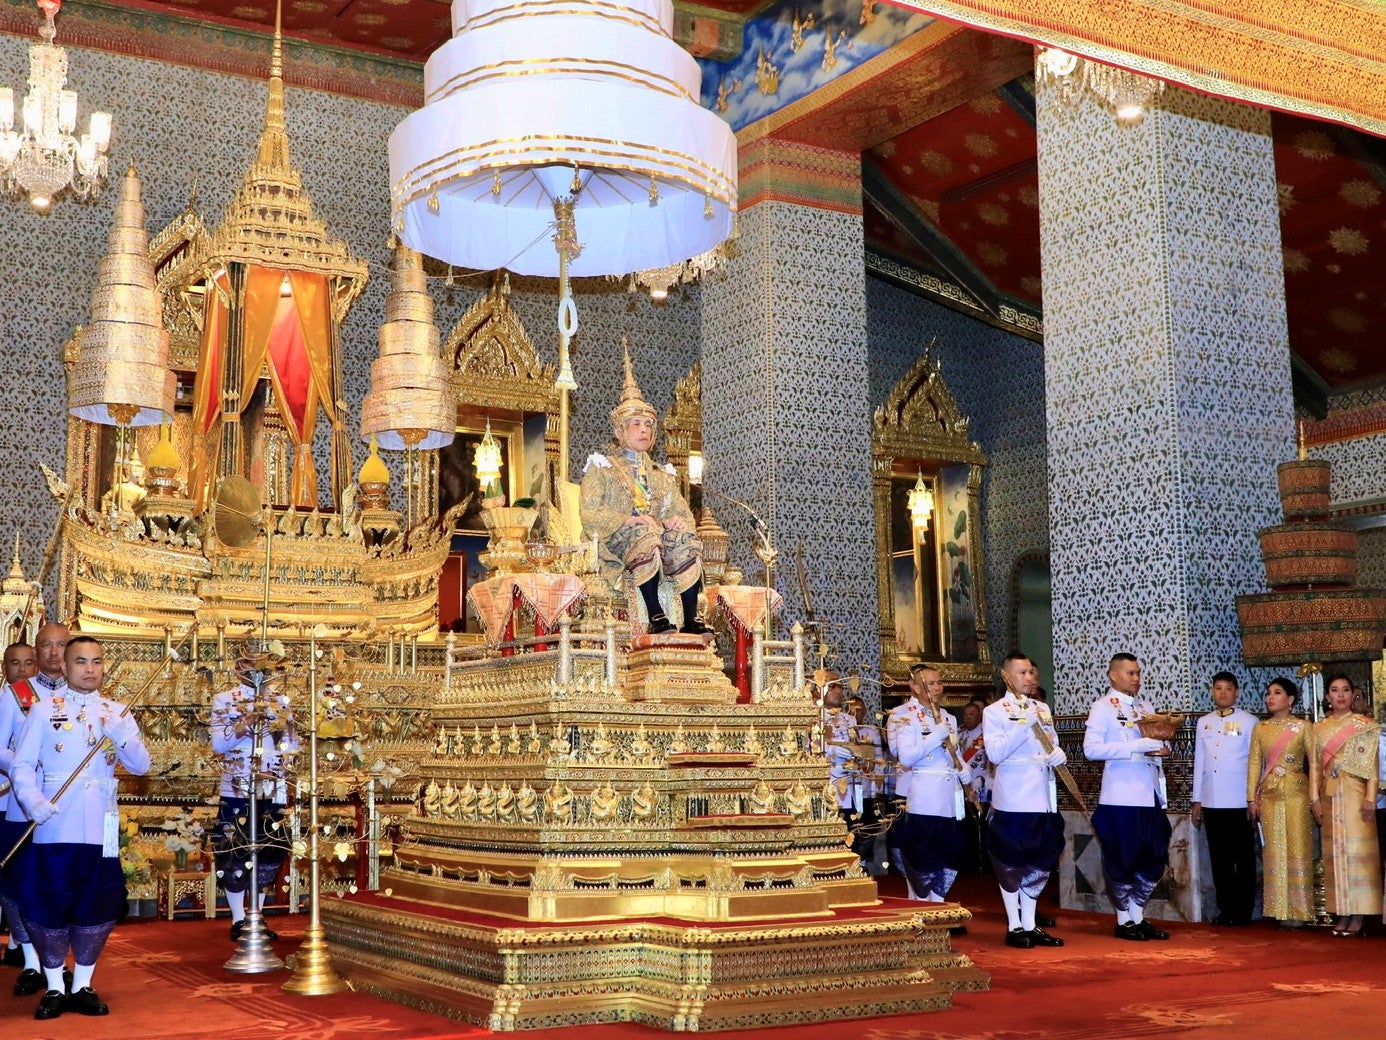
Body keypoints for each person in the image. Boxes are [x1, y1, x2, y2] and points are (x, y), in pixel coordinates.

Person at [11, 635, 149, 1019]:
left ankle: (83, 983)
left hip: (100, 825)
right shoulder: (41, 711)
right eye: (81, 662)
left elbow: (141, 766)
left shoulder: (118, 712)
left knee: (98, 902)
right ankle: (54, 986)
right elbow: (21, 766)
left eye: (97, 662)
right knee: (49, 901)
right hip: (56, 822)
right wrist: (33, 801)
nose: (90, 669)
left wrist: (122, 737)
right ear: (65, 667)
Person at [580, 346, 708, 635]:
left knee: (685, 538)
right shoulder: (602, 468)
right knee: (645, 533)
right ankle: (656, 616)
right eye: (636, 424)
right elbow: (589, 514)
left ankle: (690, 620)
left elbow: (680, 513)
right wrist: (629, 520)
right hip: (614, 542)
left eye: (648, 425)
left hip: (657, 539)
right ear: (620, 431)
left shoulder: (662, 475)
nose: (644, 430)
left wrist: (676, 522)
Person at [1083, 653, 1172, 942]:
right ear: (1113, 675)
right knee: (1123, 857)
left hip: (1149, 794)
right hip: (1120, 795)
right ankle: (1124, 920)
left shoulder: (1145, 707)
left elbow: (1156, 742)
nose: (1136, 678)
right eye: (1130, 673)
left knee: (1154, 854)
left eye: (1138, 673)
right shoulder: (1102, 707)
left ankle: (1138, 916)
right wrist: (1136, 746)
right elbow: (1092, 750)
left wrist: (1160, 749)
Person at [210, 655, 298, 942]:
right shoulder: (226, 699)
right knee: (234, 848)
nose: (257, 673)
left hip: (272, 784)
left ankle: (257, 915)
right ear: (238, 668)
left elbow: (291, 745)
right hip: (237, 783)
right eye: (250, 666)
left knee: (269, 848)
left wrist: (282, 731)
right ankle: (237, 917)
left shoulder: (280, 701)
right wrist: (246, 723)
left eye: (263, 668)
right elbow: (219, 744)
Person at [1, 623, 67, 997]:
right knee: (21, 883)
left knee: (60, 884)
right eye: (47, 645)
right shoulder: (16, 694)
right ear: (38, 652)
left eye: (62, 645)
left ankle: (59, 961)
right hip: (24, 804)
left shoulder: (83, 695)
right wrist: (30, 767)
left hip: (68, 805)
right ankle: (29, 961)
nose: (55, 652)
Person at [982, 653, 1065, 948]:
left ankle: (1030, 924)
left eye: (1031, 672)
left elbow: (1050, 743)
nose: (1030, 678)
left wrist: (1057, 754)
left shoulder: (1042, 708)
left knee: (1039, 860)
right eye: (1022, 673)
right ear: (1007, 676)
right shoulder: (995, 711)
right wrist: (1022, 724)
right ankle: (1014, 925)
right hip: (1014, 798)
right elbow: (995, 754)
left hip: (1041, 796)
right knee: (1012, 860)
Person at [891, 664, 973, 921]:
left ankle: (938, 910)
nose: (937, 688)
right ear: (915, 686)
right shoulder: (904, 716)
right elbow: (905, 756)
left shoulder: (949, 717)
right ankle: (921, 909)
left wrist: (964, 769)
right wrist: (933, 737)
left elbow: (954, 753)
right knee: (923, 853)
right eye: (930, 683)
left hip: (948, 796)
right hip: (924, 794)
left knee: (949, 851)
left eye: (939, 682)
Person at [1307, 673, 1381, 937]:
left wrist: (1371, 797)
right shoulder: (1317, 728)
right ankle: (1342, 912)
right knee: (1334, 855)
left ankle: (1359, 915)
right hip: (1329, 796)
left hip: (1356, 795)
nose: (1340, 695)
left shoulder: (1365, 725)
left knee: (1356, 856)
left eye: (1345, 690)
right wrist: (1314, 798)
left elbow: (1373, 766)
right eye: (1335, 690)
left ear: (1353, 695)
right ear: (1327, 696)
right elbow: (1314, 765)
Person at [1190, 671, 1257, 926]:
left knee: (1243, 858)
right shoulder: (1204, 722)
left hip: (1239, 799)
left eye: (1228, 688)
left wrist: (1253, 798)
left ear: (1236, 692)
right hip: (1213, 800)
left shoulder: (1249, 722)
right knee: (1220, 859)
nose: (1223, 693)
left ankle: (1243, 911)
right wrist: (1197, 800)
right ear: (1212, 691)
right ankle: (1225, 909)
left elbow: (1255, 763)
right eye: (1218, 688)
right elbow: (1200, 762)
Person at [1247, 676, 1313, 928]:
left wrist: (1315, 795)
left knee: (1298, 846)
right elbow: (1254, 763)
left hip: (1297, 792)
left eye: (1276, 693)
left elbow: (1314, 763)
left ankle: (1300, 911)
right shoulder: (1261, 729)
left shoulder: (1303, 726)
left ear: (1290, 699)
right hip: (1270, 795)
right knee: (1273, 849)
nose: (1269, 698)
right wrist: (1251, 797)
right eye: (1268, 693)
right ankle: (1277, 909)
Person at [0, 641, 38, 968]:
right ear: (4, 668)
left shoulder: (37, 701)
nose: (22, 670)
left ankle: (18, 941)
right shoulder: (7, 699)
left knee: (22, 873)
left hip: (20, 799)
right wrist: (25, 764)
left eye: (28, 663)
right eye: (15, 663)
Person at [959, 698, 989, 873]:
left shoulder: (986, 735)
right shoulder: (959, 734)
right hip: (962, 786)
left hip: (979, 787)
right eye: (966, 714)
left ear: (979, 717)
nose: (968, 717)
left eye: (972, 714)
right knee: (964, 826)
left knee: (980, 825)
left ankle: (981, 863)